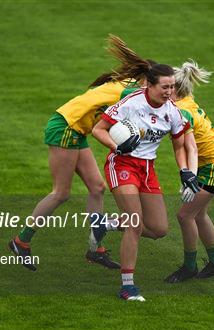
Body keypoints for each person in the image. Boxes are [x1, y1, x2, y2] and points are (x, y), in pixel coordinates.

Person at [8, 35, 151, 271]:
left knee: (97, 187)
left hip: (76, 130)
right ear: (145, 80)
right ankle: (20, 241)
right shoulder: (129, 92)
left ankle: (95, 249)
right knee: (60, 193)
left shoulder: (124, 84)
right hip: (66, 128)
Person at [92, 57, 200, 301]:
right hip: (122, 164)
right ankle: (127, 286)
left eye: (172, 87)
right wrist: (116, 147)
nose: (170, 92)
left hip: (147, 169)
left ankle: (104, 223)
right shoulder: (130, 103)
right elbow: (98, 129)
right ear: (149, 86)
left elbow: (180, 145)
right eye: (165, 87)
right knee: (135, 223)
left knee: (159, 229)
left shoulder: (172, 111)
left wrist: (185, 171)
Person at [164, 60, 214, 283]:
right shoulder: (186, 100)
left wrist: (189, 178)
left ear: (174, 90)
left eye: (167, 86)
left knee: (185, 215)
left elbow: (188, 148)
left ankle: (190, 266)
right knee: (199, 214)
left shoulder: (182, 112)